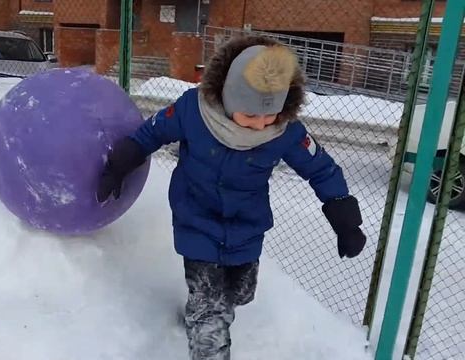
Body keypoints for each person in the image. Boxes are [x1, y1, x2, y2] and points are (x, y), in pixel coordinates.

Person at [96, 35, 367, 360]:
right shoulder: (192, 111)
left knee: (238, 293)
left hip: (246, 225)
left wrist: (344, 218)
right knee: (210, 309)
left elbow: (321, 169)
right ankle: (203, 324)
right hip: (196, 218)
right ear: (227, 97)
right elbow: (151, 133)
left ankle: (201, 310)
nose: (260, 124)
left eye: (269, 115)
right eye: (251, 115)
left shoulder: (286, 132)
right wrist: (119, 164)